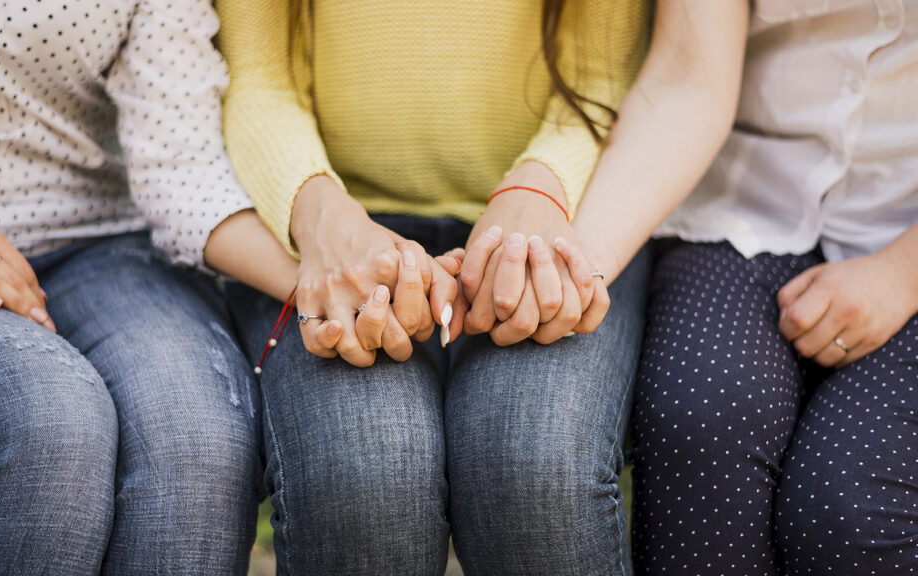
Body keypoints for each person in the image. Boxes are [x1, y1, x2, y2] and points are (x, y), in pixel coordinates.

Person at [216, 0, 665, 573]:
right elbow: (257, 76)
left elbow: (601, 76)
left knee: (535, 469)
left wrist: (541, 186)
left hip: (560, 208)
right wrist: (322, 219)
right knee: (362, 478)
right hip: (327, 222)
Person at [0, 1, 297, 574]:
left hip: (103, 237)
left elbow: (179, 162)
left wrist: (322, 282)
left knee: (196, 443)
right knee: (44, 423)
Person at [632, 2, 918, 575]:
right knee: (697, 427)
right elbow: (688, 78)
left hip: (905, 226)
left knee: (851, 510)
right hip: (742, 199)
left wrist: (901, 272)